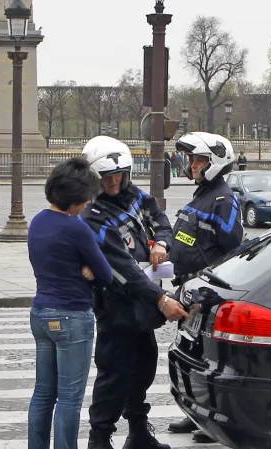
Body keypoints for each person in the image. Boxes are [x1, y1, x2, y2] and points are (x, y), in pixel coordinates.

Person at [79, 136, 189, 449]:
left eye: (120, 174)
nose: (114, 181)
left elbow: (160, 218)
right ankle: (99, 439)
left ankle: (138, 433)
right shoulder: (92, 217)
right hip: (117, 305)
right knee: (113, 374)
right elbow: (123, 270)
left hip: (142, 303)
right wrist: (162, 299)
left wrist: (161, 242)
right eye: (107, 177)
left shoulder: (134, 196)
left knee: (143, 367)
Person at [27, 157, 113, 449]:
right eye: (87, 197)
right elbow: (105, 275)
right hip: (72, 314)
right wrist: (88, 269)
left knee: (42, 393)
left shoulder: (38, 221)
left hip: (40, 312)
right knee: (69, 398)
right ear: (75, 198)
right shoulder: (76, 228)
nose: (89, 202)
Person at [166, 132, 244, 444]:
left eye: (199, 160)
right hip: (188, 286)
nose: (193, 165)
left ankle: (210, 419)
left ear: (215, 162)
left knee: (206, 358)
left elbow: (231, 245)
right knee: (188, 353)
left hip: (205, 291)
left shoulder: (223, 199)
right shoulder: (203, 194)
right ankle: (193, 411)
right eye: (193, 160)